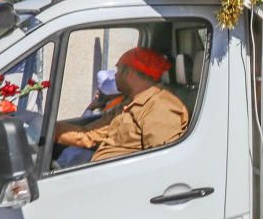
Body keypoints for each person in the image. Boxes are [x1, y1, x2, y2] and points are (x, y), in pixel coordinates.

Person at [54, 47, 188, 164]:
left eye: (118, 70)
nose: (115, 75)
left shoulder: (160, 107)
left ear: (128, 73)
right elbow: (89, 136)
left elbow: (162, 163)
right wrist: (52, 130)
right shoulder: (129, 103)